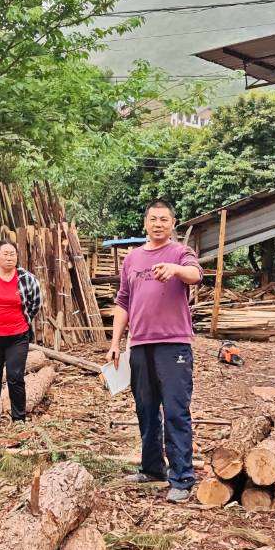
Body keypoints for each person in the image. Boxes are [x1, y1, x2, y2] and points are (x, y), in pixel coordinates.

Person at [107, 199, 202, 503]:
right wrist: (115, 343)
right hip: (139, 344)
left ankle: (182, 477)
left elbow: (195, 274)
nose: (158, 224)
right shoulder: (132, 259)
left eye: (164, 219)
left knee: (175, 410)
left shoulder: (180, 253)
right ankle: (152, 468)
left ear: (172, 223)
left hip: (173, 344)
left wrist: (175, 270)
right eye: (153, 219)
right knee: (146, 409)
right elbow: (123, 302)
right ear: (145, 223)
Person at [0, 240, 42, 423]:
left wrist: (22, 320)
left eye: (13, 254)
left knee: (15, 376)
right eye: (5, 254)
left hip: (18, 336)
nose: (9, 257)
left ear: (17, 257)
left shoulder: (27, 279)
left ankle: (19, 419)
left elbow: (35, 304)